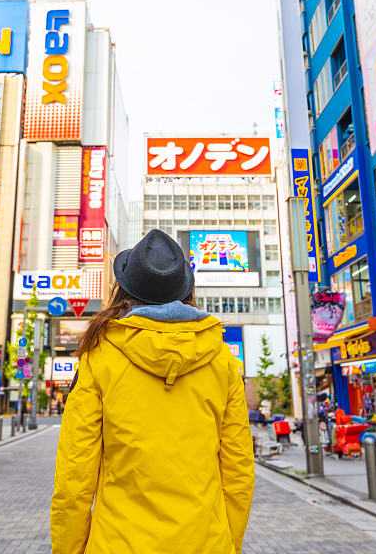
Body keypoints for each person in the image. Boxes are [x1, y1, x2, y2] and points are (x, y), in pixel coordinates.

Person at [51, 230, 255, 554]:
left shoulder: (100, 358)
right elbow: (238, 472)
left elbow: (74, 477)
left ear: (125, 293)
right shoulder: (222, 362)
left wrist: (68, 549)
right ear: (186, 291)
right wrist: (227, 542)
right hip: (206, 542)